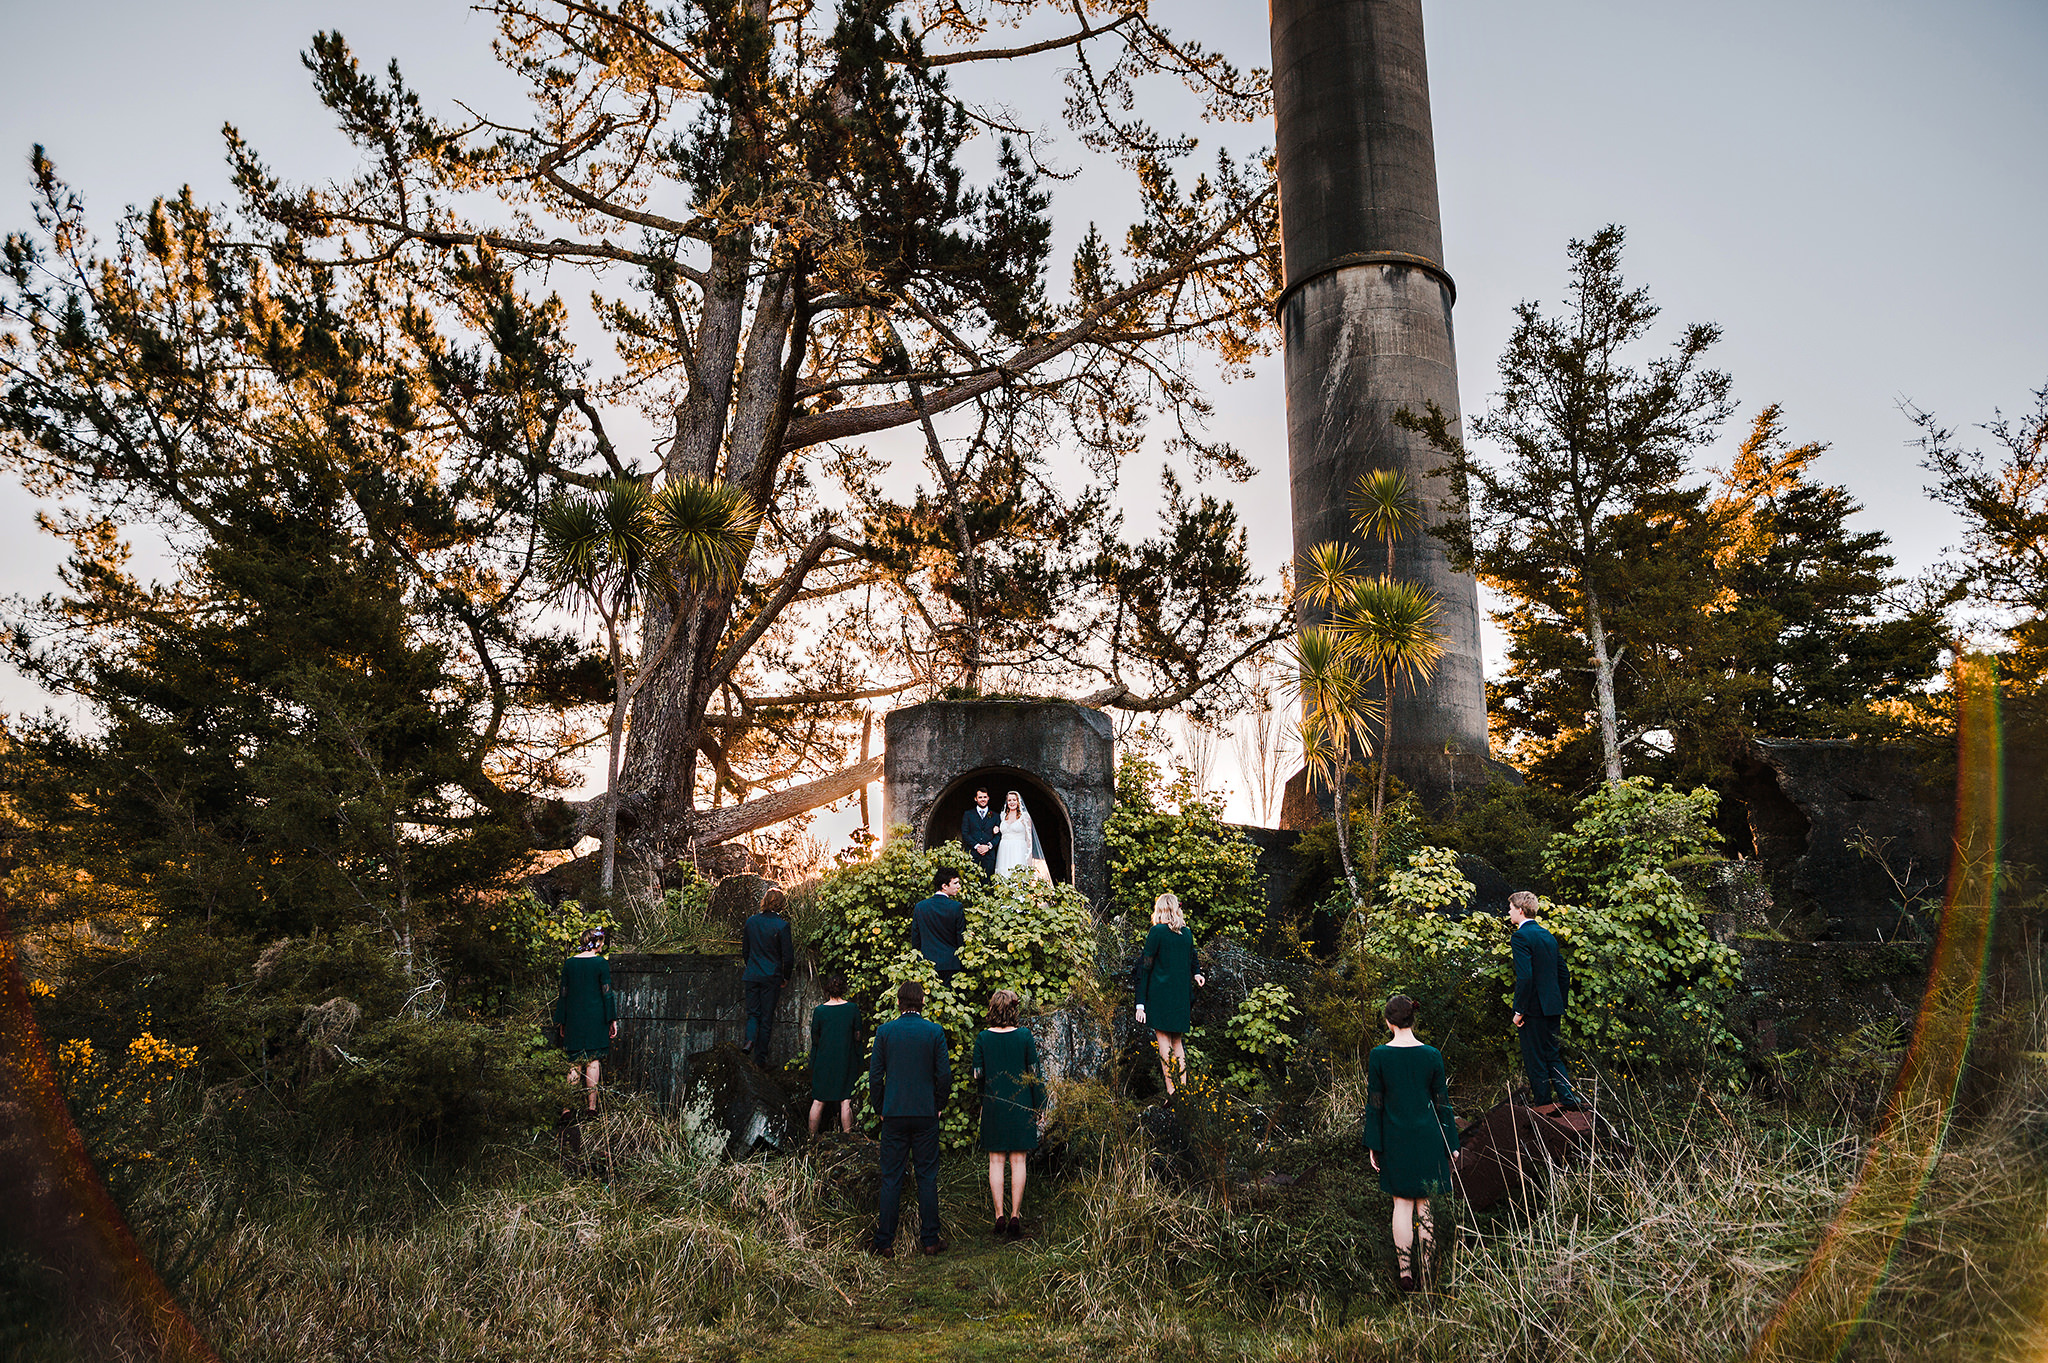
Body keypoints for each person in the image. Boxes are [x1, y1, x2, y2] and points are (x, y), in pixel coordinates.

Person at [1363, 993, 1460, 1293]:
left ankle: (1406, 1275)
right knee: (1426, 1206)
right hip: (1429, 1138)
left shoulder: (1379, 1055)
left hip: (1395, 1138)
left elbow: (1375, 1103)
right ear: (1412, 1019)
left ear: (1389, 1022)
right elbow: (1443, 1103)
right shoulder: (1432, 1055)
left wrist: (1373, 1144)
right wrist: (1451, 1142)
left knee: (1401, 1205)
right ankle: (1428, 1273)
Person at [868, 979, 952, 1257]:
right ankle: (930, 1239)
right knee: (926, 1176)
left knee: (891, 1177)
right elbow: (944, 1075)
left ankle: (885, 1241)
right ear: (922, 1003)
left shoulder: (885, 1032)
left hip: (894, 1113)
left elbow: (875, 1076)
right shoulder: (934, 1032)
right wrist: (938, 1104)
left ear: (899, 1002)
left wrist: (880, 1106)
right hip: (926, 1113)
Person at [972, 989, 1045, 1240]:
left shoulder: (982, 1038)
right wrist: (1039, 1105)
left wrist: (983, 1099)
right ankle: (1015, 1215)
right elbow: (1035, 1074)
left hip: (993, 1104)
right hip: (1021, 1104)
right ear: (1014, 1009)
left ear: (992, 1009)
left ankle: (998, 1214)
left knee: (995, 1161)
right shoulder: (1025, 1036)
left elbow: (978, 1075)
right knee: (1018, 1162)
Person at [1508, 890, 1584, 1111]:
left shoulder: (1520, 937)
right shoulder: (1546, 935)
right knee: (1552, 1054)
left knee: (1535, 1060)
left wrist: (1519, 1010)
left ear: (1520, 910)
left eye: (1511, 908)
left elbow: (1525, 976)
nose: (1509, 912)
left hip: (1532, 1010)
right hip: (1552, 1007)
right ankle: (1569, 1100)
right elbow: (1564, 974)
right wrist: (1557, 1002)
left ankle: (1544, 1108)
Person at [1133, 892, 1204, 1096]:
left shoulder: (1157, 932)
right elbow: (1193, 957)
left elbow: (1145, 966)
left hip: (1160, 995)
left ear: (1160, 909)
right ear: (1176, 908)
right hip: (1181, 996)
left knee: (1164, 1041)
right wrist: (1197, 973)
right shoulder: (1187, 933)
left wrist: (1140, 1003)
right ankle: (1183, 1091)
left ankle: (1172, 1093)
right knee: (1177, 1043)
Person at [553, 926, 619, 1121]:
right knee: (593, 1060)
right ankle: (591, 1109)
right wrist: (611, 1019)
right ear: (597, 942)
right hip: (595, 1018)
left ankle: (567, 1110)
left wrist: (562, 1020)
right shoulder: (600, 963)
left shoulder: (569, 964)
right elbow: (607, 993)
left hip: (574, 1017)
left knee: (574, 1062)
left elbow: (563, 993)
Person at [741, 885, 795, 1062]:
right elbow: (787, 956)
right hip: (771, 977)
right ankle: (760, 1059)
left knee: (753, 1014)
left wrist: (751, 967)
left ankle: (749, 1041)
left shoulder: (751, 922)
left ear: (764, 901)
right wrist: (785, 977)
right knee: (766, 1018)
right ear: (781, 905)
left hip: (752, 975)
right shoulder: (782, 926)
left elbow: (746, 951)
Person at [808, 972, 860, 1135]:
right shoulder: (852, 1009)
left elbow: (815, 1039)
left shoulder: (820, 1011)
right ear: (844, 989)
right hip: (846, 1060)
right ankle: (848, 1141)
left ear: (827, 990)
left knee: (818, 1101)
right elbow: (858, 1037)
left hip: (823, 1061)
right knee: (845, 1101)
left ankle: (810, 1141)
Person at [911, 869, 967, 987]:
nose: (959, 886)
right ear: (944, 886)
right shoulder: (956, 907)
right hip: (950, 963)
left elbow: (915, 938)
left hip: (927, 963)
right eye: (955, 883)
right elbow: (960, 938)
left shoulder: (920, 907)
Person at [992, 790, 1050, 882]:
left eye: (1014, 800)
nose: (1012, 802)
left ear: (1018, 801)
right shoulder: (1002, 816)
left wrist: (1029, 856)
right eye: (1009, 800)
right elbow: (999, 831)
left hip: (1018, 849)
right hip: (1004, 849)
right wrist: (996, 829)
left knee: (1018, 874)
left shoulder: (1025, 817)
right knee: (1004, 873)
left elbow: (1029, 838)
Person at [960, 786, 1001, 877]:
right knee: (972, 881)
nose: (983, 799)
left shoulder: (995, 815)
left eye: (985, 797)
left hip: (989, 856)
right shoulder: (968, 814)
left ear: (988, 798)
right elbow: (965, 833)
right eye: (980, 797)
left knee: (987, 884)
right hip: (972, 854)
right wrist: (977, 846)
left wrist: (988, 846)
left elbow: (998, 835)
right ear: (975, 799)